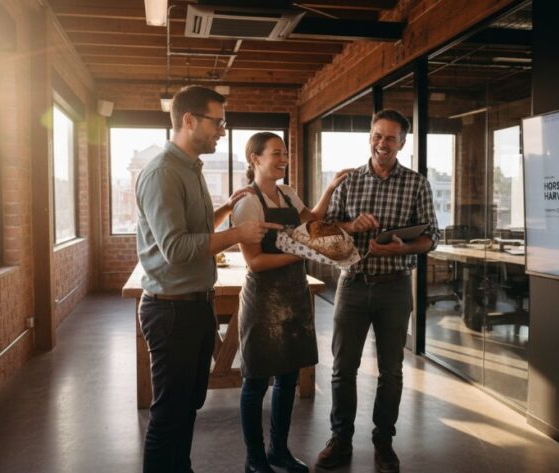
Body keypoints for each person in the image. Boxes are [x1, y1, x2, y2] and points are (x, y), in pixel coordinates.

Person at [135, 85, 281, 473]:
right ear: (189, 120)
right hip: (171, 313)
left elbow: (193, 229)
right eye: (217, 122)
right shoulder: (164, 173)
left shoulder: (189, 167)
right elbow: (177, 249)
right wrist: (237, 233)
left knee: (188, 408)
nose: (221, 130)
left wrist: (226, 210)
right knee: (169, 415)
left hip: (195, 306)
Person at [315, 109, 439, 473]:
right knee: (342, 369)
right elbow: (324, 230)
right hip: (352, 286)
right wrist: (352, 225)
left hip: (395, 288)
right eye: (377, 135)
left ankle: (383, 443)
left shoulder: (417, 184)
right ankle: (340, 440)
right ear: (370, 136)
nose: (381, 143)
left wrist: (401, 248)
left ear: (402, 143)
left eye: (390, 138)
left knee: (392, 372)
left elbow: (432, 237)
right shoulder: (349, 182)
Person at [231, 132, 350, 473]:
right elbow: (254, 262)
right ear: (255, 158)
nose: (283, 159)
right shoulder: (247, 202)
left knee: (287, 379)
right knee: (255, 383)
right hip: (263, 301)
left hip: (294, 296)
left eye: (285, 153)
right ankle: (255, 460)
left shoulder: (286, 192)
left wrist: (329, 190)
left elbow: (310, 221)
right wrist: (304, 252)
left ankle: (278, 451)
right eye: (276, 154)